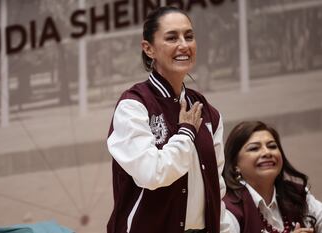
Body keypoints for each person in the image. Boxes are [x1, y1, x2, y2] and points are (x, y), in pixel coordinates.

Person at [106, 6, 231, 233]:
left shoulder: (208, 112)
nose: (183, 45)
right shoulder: (133, 106)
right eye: (172, 37)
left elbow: (217, 188)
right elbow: (152, 173)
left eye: (189, 36)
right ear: (148, 48)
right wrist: (185, 133)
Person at [223, 121, 322, 233]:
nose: (267, 152)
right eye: (254, 148)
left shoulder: (296, 194)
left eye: (272, 146)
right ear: (235, 164)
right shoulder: (227, 209)